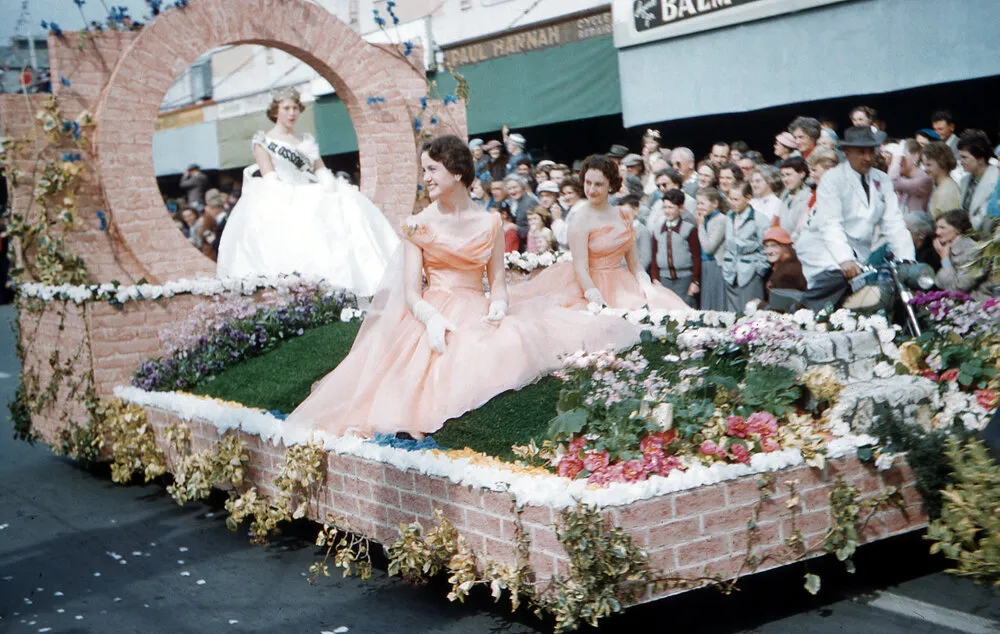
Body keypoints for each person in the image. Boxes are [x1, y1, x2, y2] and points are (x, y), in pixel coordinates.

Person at [284, 135, 638, 440]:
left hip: (476, 305)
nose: (426, 178)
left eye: (432, 169)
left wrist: (498, 305)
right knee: (427, 373)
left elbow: (497, 282)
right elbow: (410, 291)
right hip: (431, 311)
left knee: (508, 341)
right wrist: (430, 317)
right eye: (424, 171)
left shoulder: (490, 223)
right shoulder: (417, 225)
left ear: (456, 172)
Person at [216, 88, 399, 295]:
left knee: (349, 204)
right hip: (281, 195)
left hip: (310, 191)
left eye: (295, 108)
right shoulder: (263, 142)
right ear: (276, 111)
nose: (292, 113)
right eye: (286, 108)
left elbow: (319, 168)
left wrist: (329, 183)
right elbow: (270, 178)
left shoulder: (305, 140)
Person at [512, 154, 689, 311]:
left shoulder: (623, 214)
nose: (591, 189)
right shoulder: (580, 219)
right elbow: (580, 268)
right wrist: (595, 297)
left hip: (622, 281)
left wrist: (644, 282)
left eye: (598, 184)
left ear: (611, 186)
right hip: (589, 282)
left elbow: (634, 262)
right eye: (588, 183)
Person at [796, 126, 915, 309]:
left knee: (888, 289)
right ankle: (799, 313)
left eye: (871, 151)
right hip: (821, 246)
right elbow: (830, 224)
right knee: (836, 278)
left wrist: (906, 258)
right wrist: (844, 259)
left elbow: (894, 222)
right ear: (847, 152)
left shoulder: (882, 179)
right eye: (861, 152)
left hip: (858, 250)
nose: (867, 158)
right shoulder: (832, 179)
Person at [720, 181, 769, 312]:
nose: (732, 202)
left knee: (751, 311)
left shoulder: (759, 219)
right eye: (730, 199)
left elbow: (765, 248)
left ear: (748, 198)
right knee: (732, 313)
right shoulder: (729, 216)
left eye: (736, 199)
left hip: (750, 271)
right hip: (731, 272)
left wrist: (759, 270)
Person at [649, 188, 701, 308]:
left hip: (684, 279)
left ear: (681, 208)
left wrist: (695, 281)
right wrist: (655, 278)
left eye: (671, 207)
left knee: (685, 310)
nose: (667, 211)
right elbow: (654, 255)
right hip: (664, 279)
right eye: (665, 207)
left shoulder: (689, 229)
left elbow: (696, 257)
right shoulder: (658, 229)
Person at [933, 209, 990, 298]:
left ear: (957, 229)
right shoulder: (946, 249)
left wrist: (945, 259)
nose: (937, 232)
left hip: (977, 303)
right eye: (937, 228)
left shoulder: (974, 251)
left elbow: (959, 288)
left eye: (942, 227)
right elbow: (939, 283)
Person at [957, 132, 999, 235]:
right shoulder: (965, 180)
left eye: (964, 157)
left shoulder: (996, 180)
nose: (961, 161)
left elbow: (985, 216)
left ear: (980, 159)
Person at [761, 218, 807, 311]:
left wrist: (759, 305)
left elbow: (781, 307)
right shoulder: (783, 265)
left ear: (786, 247)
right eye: (766, 246)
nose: (769, 251)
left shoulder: (788, 272)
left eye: (774, 245)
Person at [696, 186, 727, 311]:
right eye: (697, 203)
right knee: (706, 299)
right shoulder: (705, 219)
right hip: (705, 263)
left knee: (716, 299)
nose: (699, 207)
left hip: (716, 263)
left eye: (702, 203)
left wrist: (700, 226)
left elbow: (709, 247)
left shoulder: (720, 220)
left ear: (714, 204)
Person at [888, 139, 932, 214]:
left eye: (903, 156)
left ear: (915, 157)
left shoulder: (924, 179)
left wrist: (897, 157)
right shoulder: (904, 177)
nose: (900, 161)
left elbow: (892, 182)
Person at [921, 141, 961, 218]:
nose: (925, 169)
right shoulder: (941, 186)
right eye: (924, 164)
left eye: (929, 165)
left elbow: (948, 224)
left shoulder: (948, 191)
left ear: (941, 163)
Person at [778, 157, 810, 240]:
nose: (785, 179)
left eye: (789, 175)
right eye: (783, 176)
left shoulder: (808, 198)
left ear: (801, 174)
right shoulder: (784, 197)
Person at [505, 174, 538, 251]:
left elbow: (533, 227)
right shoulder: (513, 202)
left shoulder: (530, 202)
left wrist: (515, 227)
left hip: (531, 244)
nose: (513, 191)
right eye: (509, 189)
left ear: (522, 187)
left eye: (515, 187)